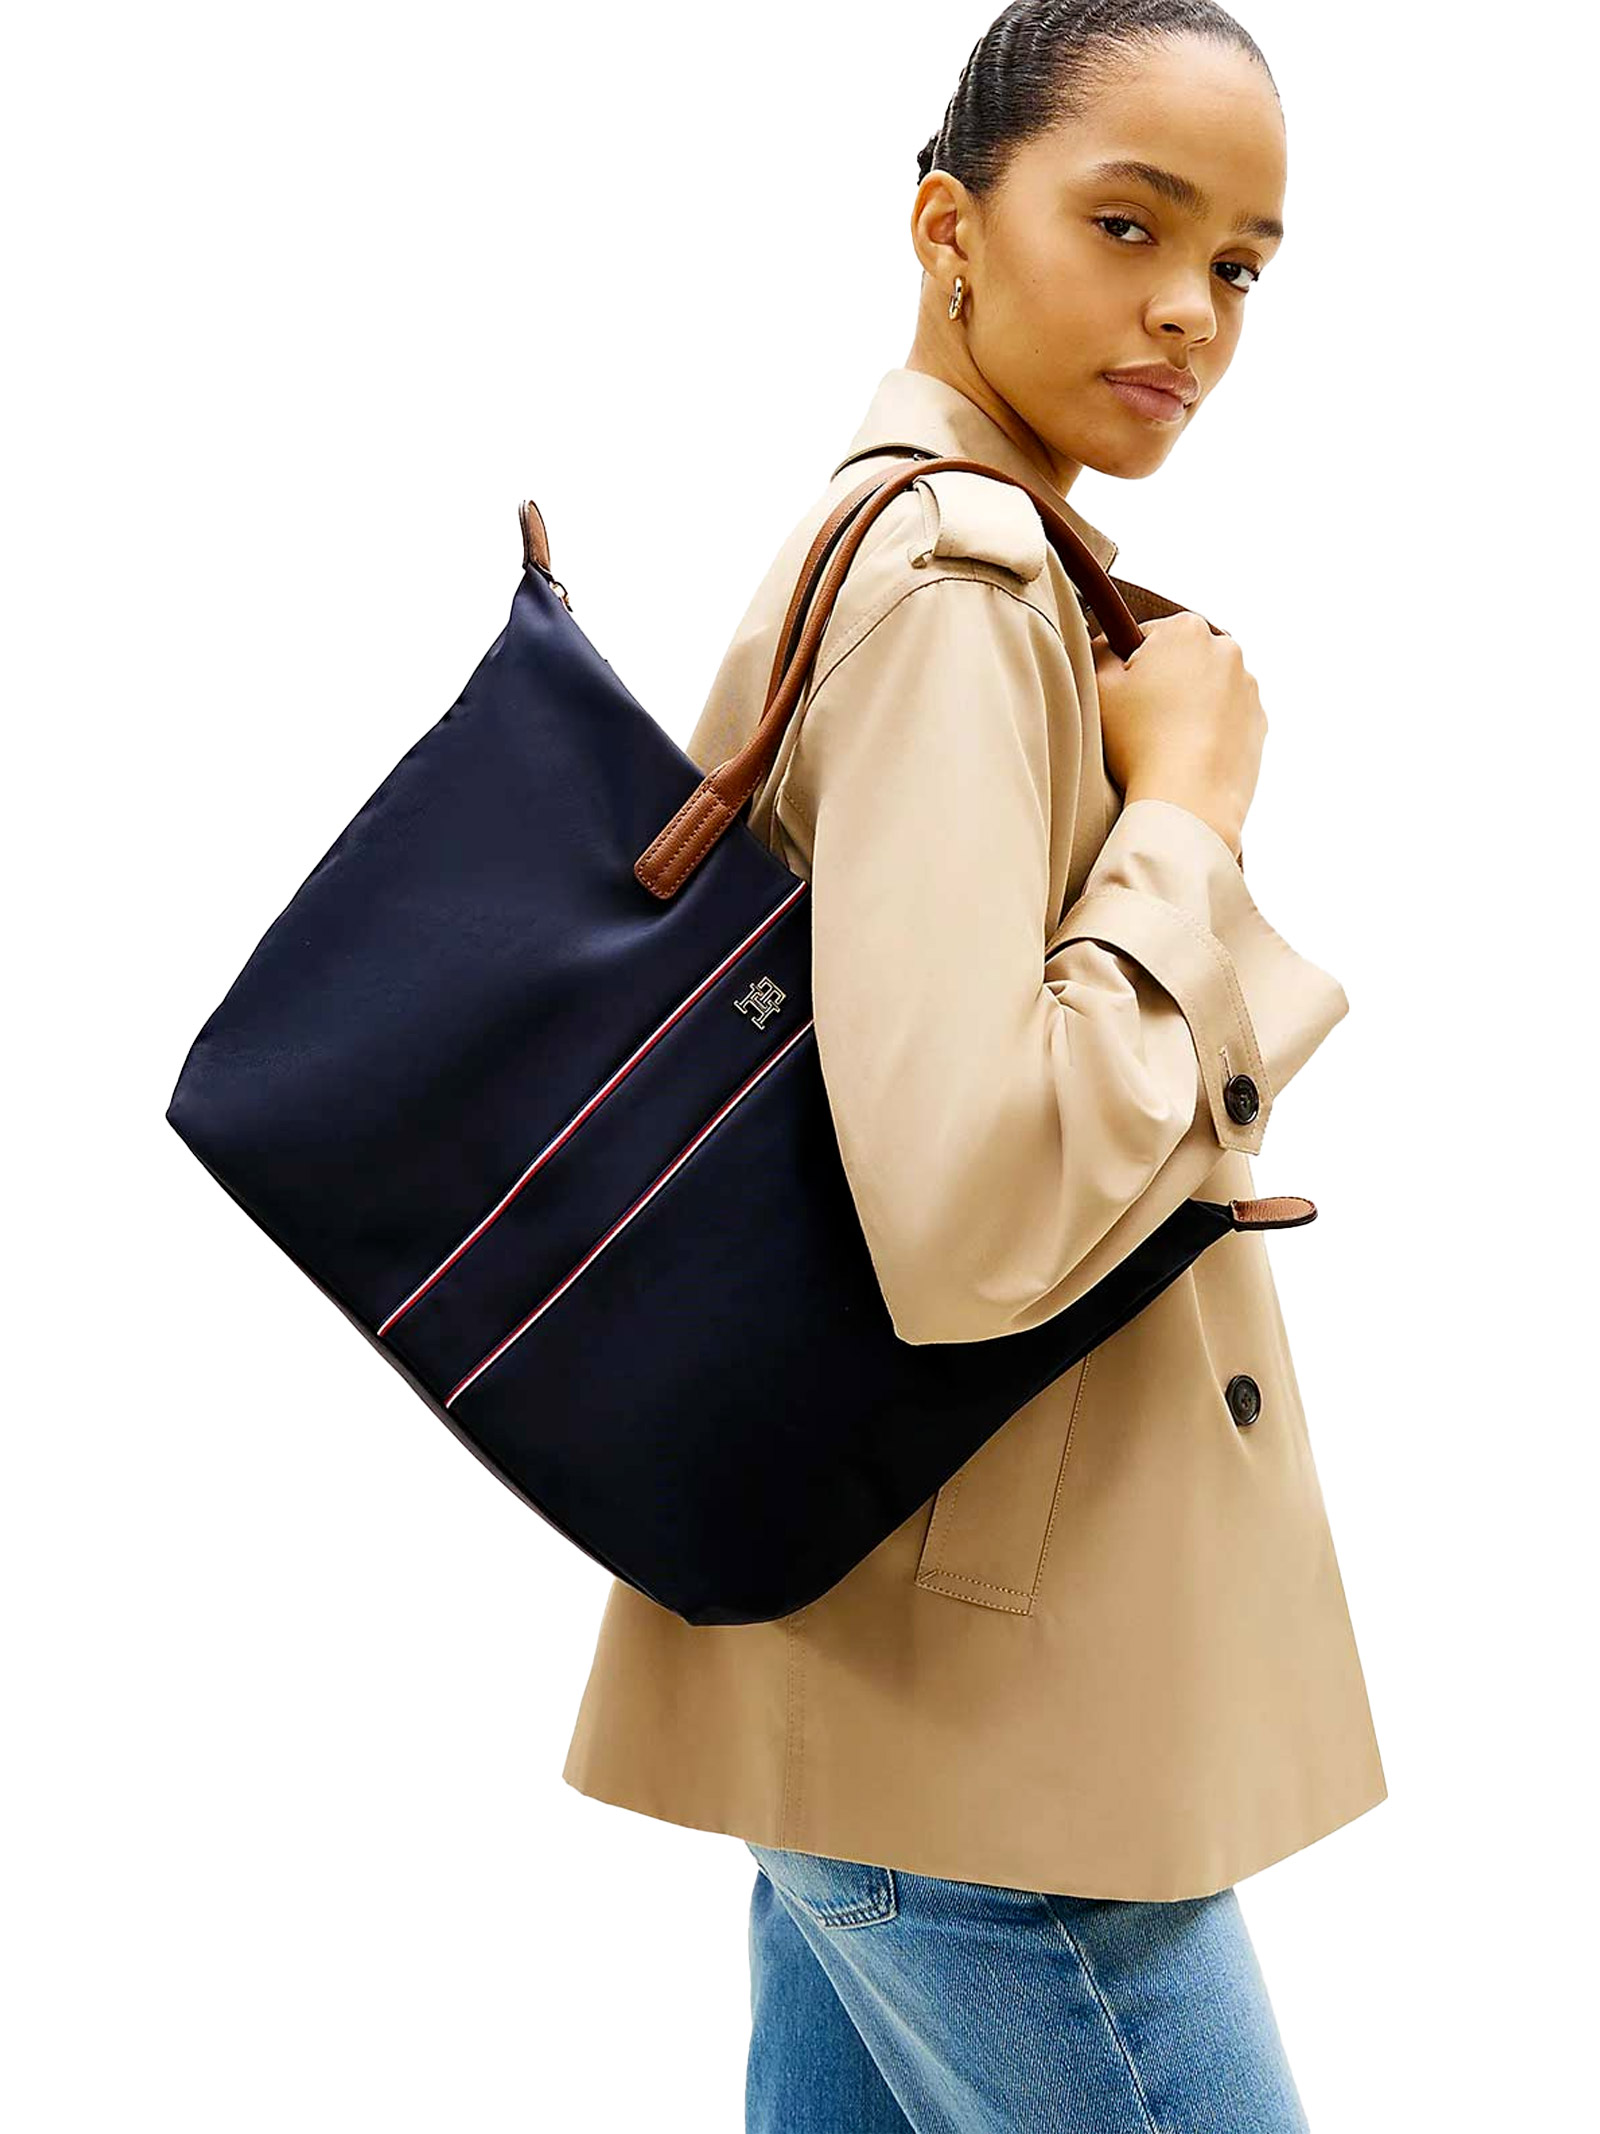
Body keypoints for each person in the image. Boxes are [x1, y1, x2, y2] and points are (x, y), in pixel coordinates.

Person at [562, 2, 1387, 2124]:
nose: (1190, 311)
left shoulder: (951, 558)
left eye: (1239, 265)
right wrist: (1185, 821)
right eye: (1128, 224)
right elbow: (967, 1211)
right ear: (948, 226)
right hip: (991, 1756)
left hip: (893, 1682)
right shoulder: (953, 584)